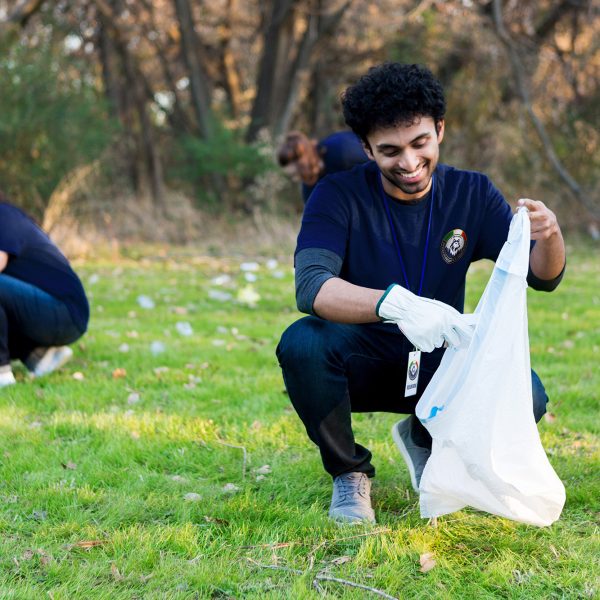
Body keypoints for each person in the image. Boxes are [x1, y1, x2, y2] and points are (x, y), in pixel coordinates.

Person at [276, 63, 565, 524]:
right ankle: (349, 474)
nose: (409, 163)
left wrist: (549, 235)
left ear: (440, 130)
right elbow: (311, 285)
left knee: (528, 394)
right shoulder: (335, 195)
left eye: (419, 143)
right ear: (367, 148)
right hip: (363, 354)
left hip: (441, 359)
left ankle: (424, 435)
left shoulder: (471, 192)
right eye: (389, 150)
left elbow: (543, 277)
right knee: (302, 343)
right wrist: (394, 304)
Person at [0, 193, 89, 386]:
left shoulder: (3, 215)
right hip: (48, 313)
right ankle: (39, 356)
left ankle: (2, 375)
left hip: (64, 311)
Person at [277, 130, 370, 203]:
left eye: (296, 173)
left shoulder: (340, 149)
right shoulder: (310, 191)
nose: (295, 178)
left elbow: (376, 161)